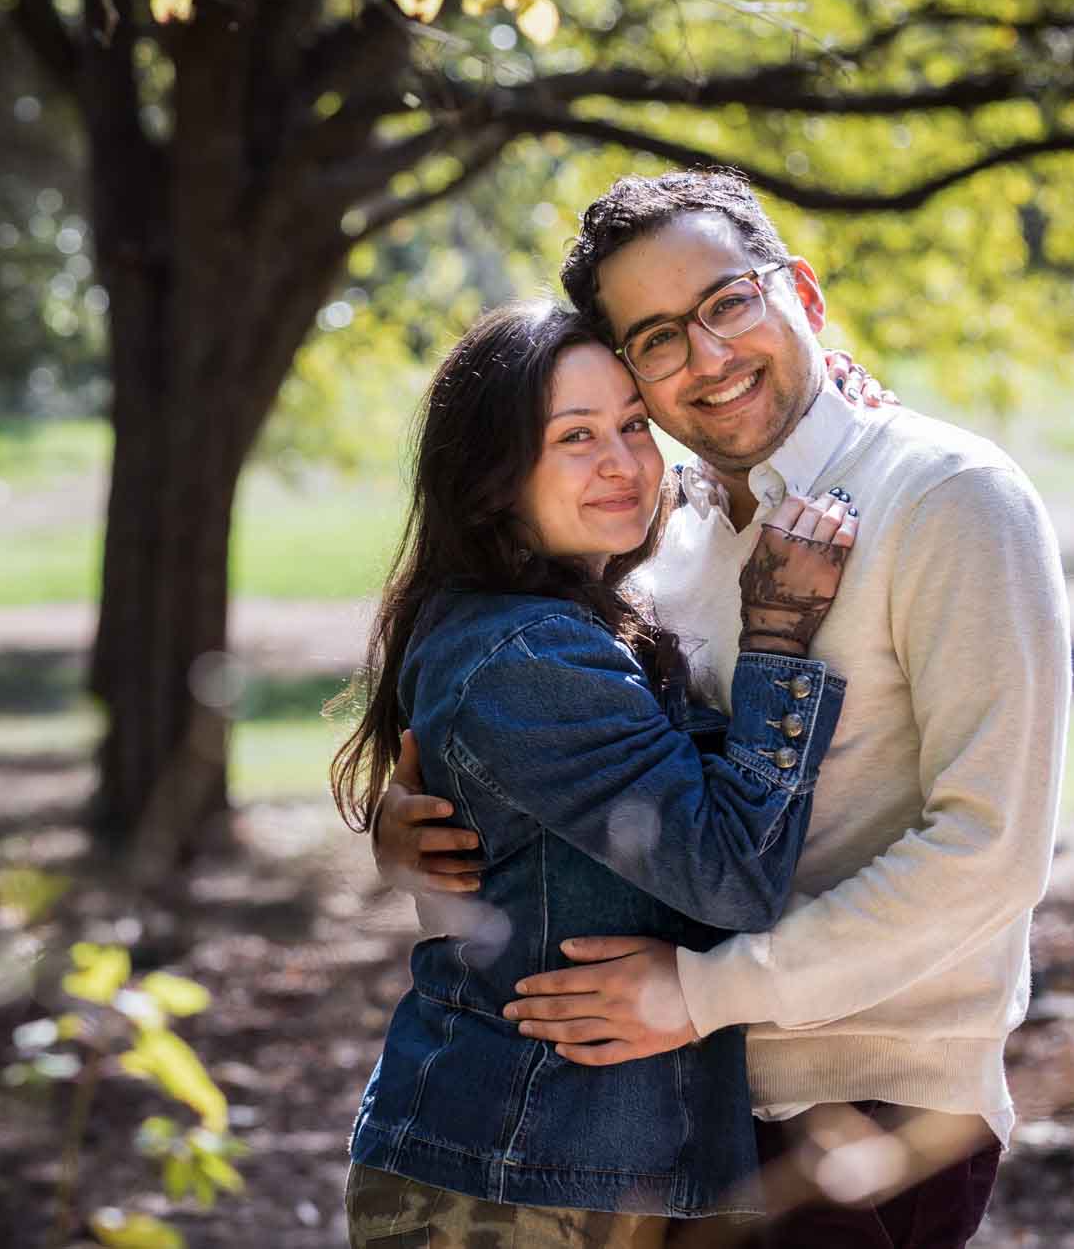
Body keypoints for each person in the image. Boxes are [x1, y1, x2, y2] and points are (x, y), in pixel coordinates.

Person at [373, 170, 1072, 1248]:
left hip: (860, 1106)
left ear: (801, 292)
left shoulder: (947, 499)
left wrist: (705, 994)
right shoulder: (662, 536)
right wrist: (426, 828)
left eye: (728, 302)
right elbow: (591, 777)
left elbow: (992, 851)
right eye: (655, 338)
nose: (704, 355)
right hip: (666, 1123)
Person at [335, 299, 863, 1243]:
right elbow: (732, 873)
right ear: (492, 479)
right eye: (576, 436)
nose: (624, 462)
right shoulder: (529, 653)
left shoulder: (566, 613)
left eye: (632, 425)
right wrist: (779, 636)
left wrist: (824, 416)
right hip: (510, 1176)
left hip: (564, 1159)